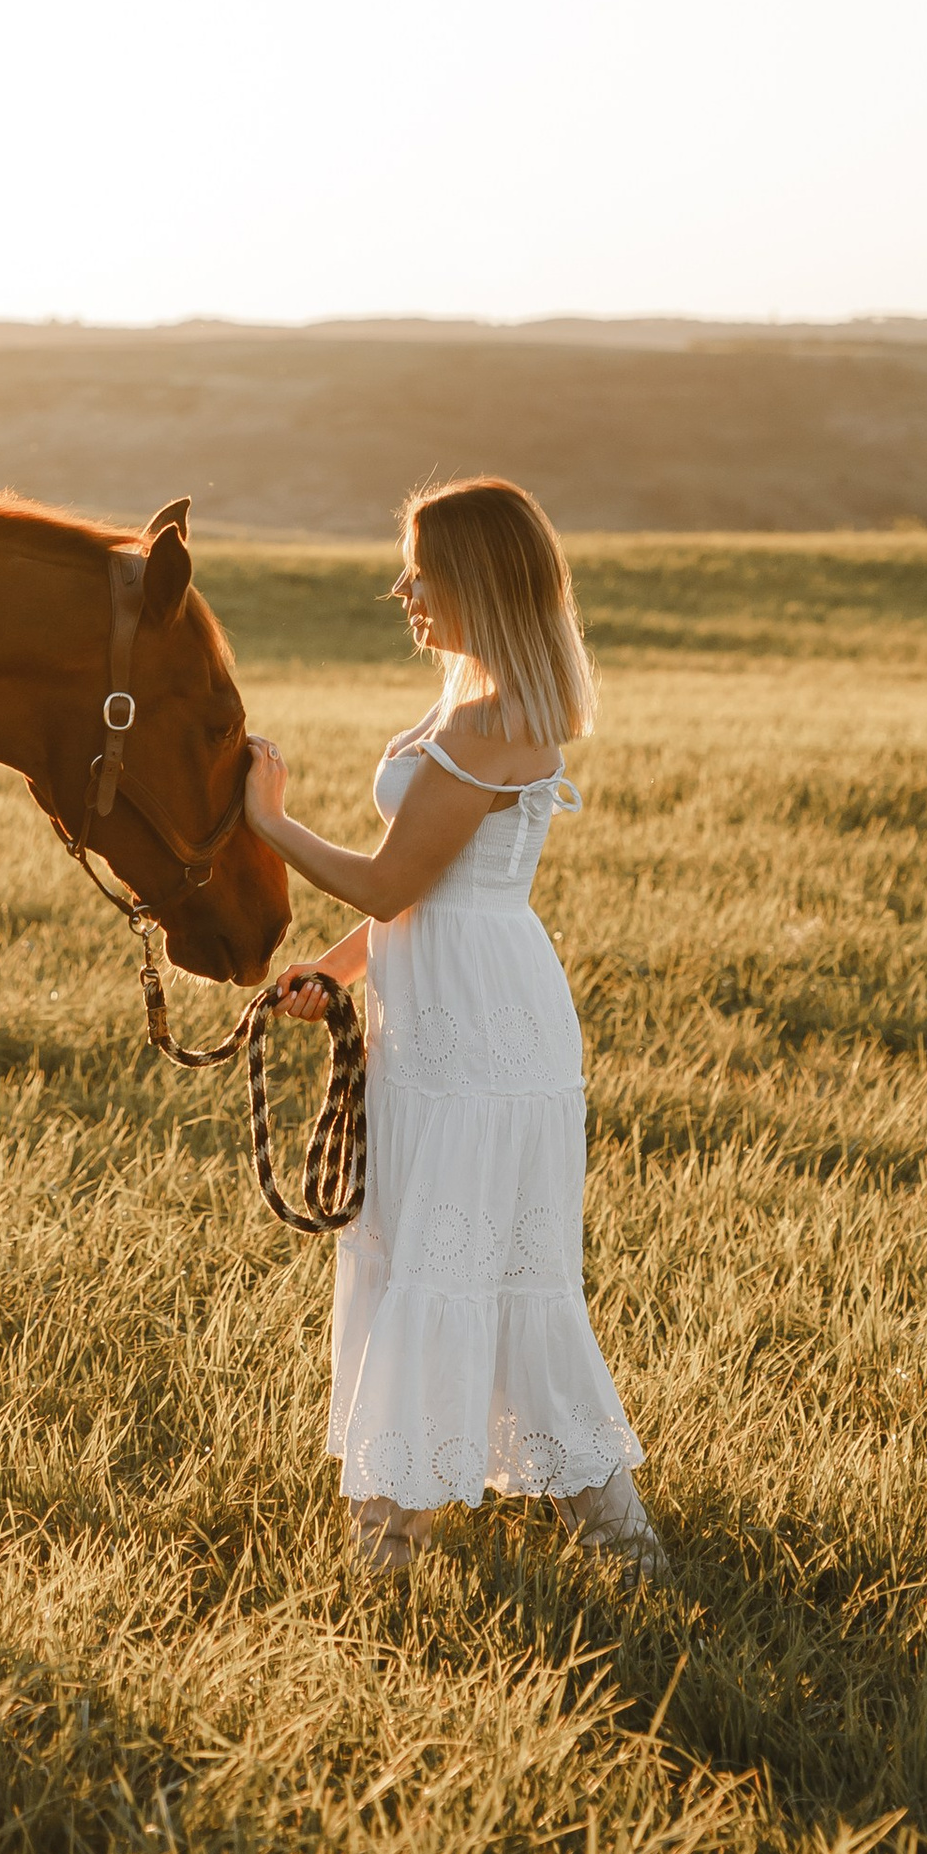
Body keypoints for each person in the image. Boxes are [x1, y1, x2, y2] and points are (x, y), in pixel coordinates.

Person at [241, 474, 667, 1583]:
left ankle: (395, 1541)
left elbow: (392, 883)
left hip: (480, 1022)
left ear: (473, 577)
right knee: (441, 1251)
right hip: (434, 1005)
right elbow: (412, 898)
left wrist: (270, 823)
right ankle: (595, 1534)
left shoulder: (498, 719)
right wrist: (329, 975)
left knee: (461, 1256)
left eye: (419, 571)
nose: (400, 589)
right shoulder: (463, 706)